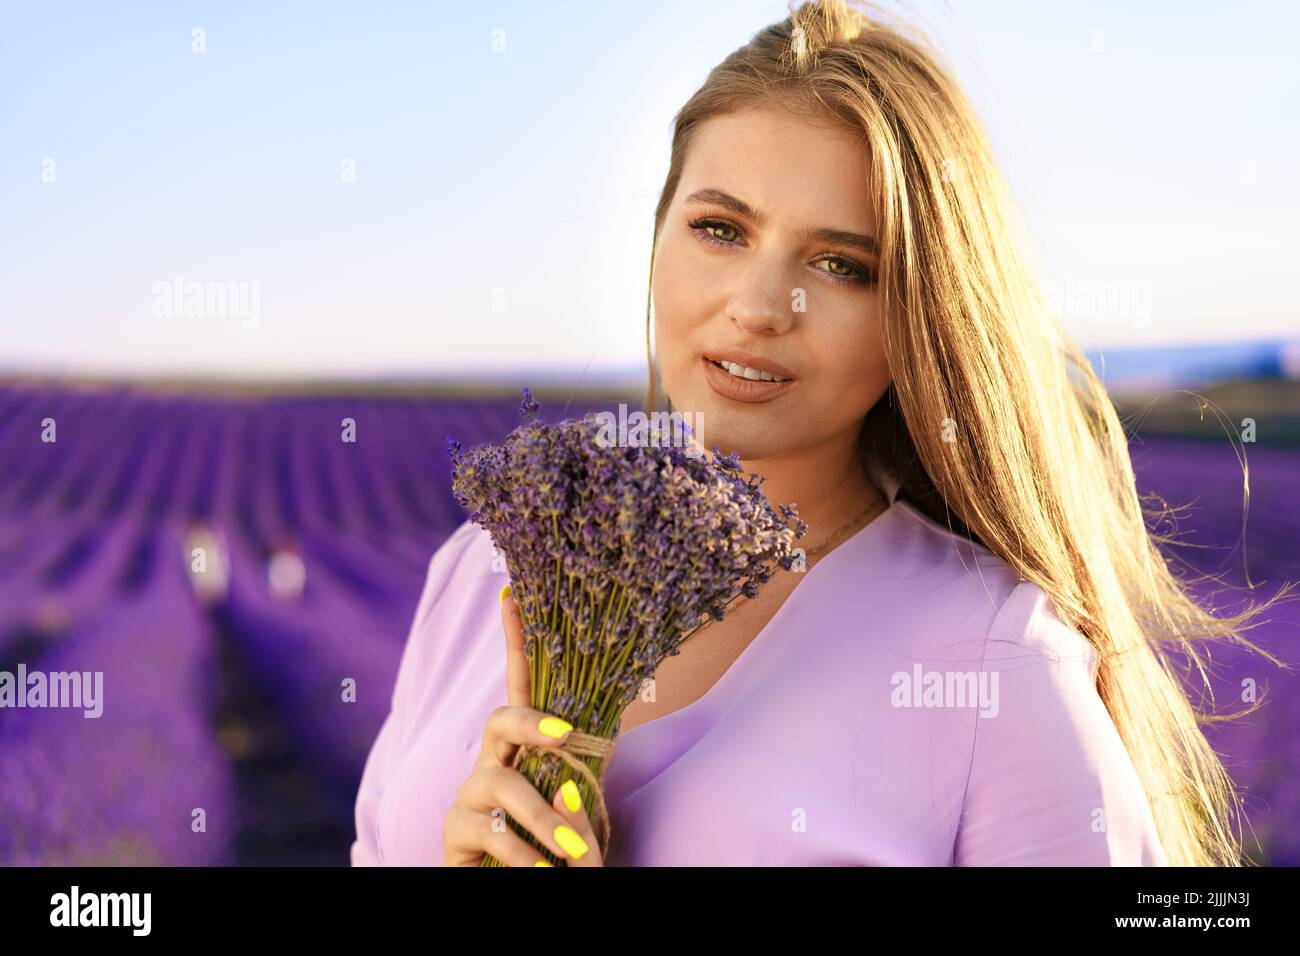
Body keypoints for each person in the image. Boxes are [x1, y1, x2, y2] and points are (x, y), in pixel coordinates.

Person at [352, 0, 1286, 867]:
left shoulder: (993, 662)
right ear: (657, 236)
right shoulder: (482, 568)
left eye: (841, 264)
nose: (759, 308)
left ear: (920, 315)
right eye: (720, 229)